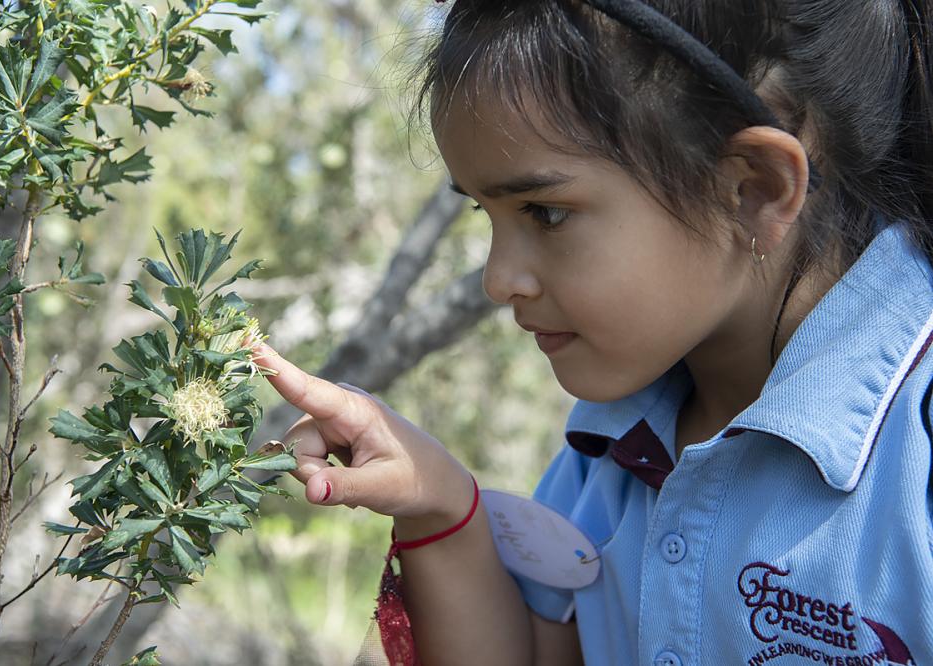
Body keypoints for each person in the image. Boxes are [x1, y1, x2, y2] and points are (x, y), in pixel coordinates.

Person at [252, 1, 933, 664]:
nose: (499, 280)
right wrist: (439, 509)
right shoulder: (611, 447)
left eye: (545, 213)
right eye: (486, 216)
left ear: (752, 188)